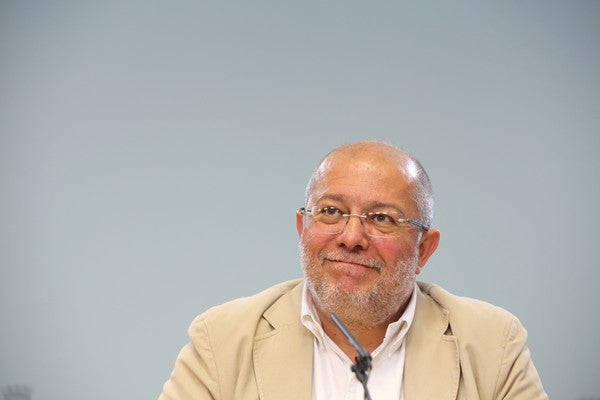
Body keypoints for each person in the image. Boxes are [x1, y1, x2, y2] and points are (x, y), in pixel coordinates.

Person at [159, 141, 547, 399]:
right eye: (331, 211)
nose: (351, 237)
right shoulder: (221, 340)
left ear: (423, 249)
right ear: (303, 228)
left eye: (382, 218)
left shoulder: (493, 344)